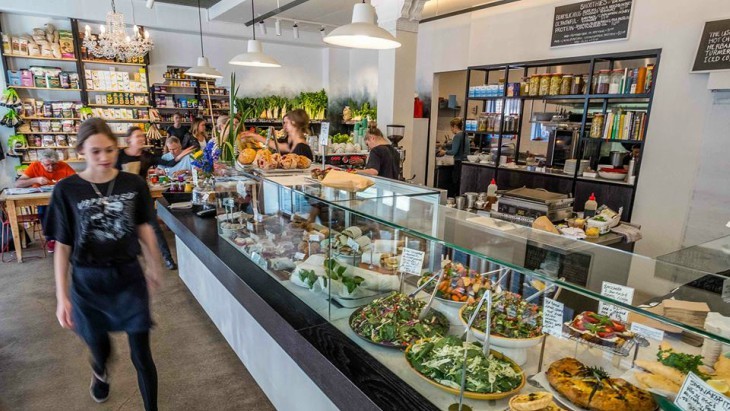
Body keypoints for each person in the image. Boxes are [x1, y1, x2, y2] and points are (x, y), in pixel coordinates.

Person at [45, 118, 161, 410]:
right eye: (95, 151)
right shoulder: (66, 190)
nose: (104, 157)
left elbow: (144, 227)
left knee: (142, 354)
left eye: (109, 150)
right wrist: (62, 297)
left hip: (128, 277)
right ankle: (99, 371)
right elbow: (63, 246)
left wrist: (154, 265)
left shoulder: (133, 183)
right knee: (101, 349)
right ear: (81, 151)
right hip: (88, 282)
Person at [116, 127, 192, 270]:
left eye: (142, 136)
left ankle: (168, 259)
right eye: (137, 136)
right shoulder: (120, 156)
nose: (141, 138)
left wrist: (179, 156)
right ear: (128, 139)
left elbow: (168, 163)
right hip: (125, 200)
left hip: (143, 198)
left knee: (155, 229)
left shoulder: (146, 156)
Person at [16, 149, 77, 253]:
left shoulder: (63, 165)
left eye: (54, 165)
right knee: (46, 209)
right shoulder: (34, 166)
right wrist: (36, 180)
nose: (51, 168)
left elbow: (76, 180)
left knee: (68, 208)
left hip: (60, 198)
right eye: (47, 165)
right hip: (42, 201)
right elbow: (18, 184)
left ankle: (67, 237)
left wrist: (67, 182)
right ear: (41, 162)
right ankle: (51, 239)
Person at [437, 118, 468, 192]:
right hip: (465, 162)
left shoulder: (457, 136)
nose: (451, 129)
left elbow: (454, 151)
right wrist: (444, 145)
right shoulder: (464, 134)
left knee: (456, 182)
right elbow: (456, 146)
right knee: (461, 183)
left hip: (458, 162)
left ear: (455, 126)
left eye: (451, 127)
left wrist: (444, 152)